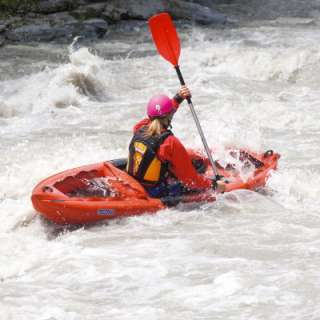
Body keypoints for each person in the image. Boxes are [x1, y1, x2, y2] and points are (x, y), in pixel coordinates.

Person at [127, 86, 225, 198]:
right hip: (155, 191)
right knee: (196, 168)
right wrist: (214, 185)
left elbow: (159, 116)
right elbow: (190, 181)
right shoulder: (170, 143)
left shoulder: (138, 128)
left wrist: (178, 98)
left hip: (135, 181)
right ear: (169, 115)